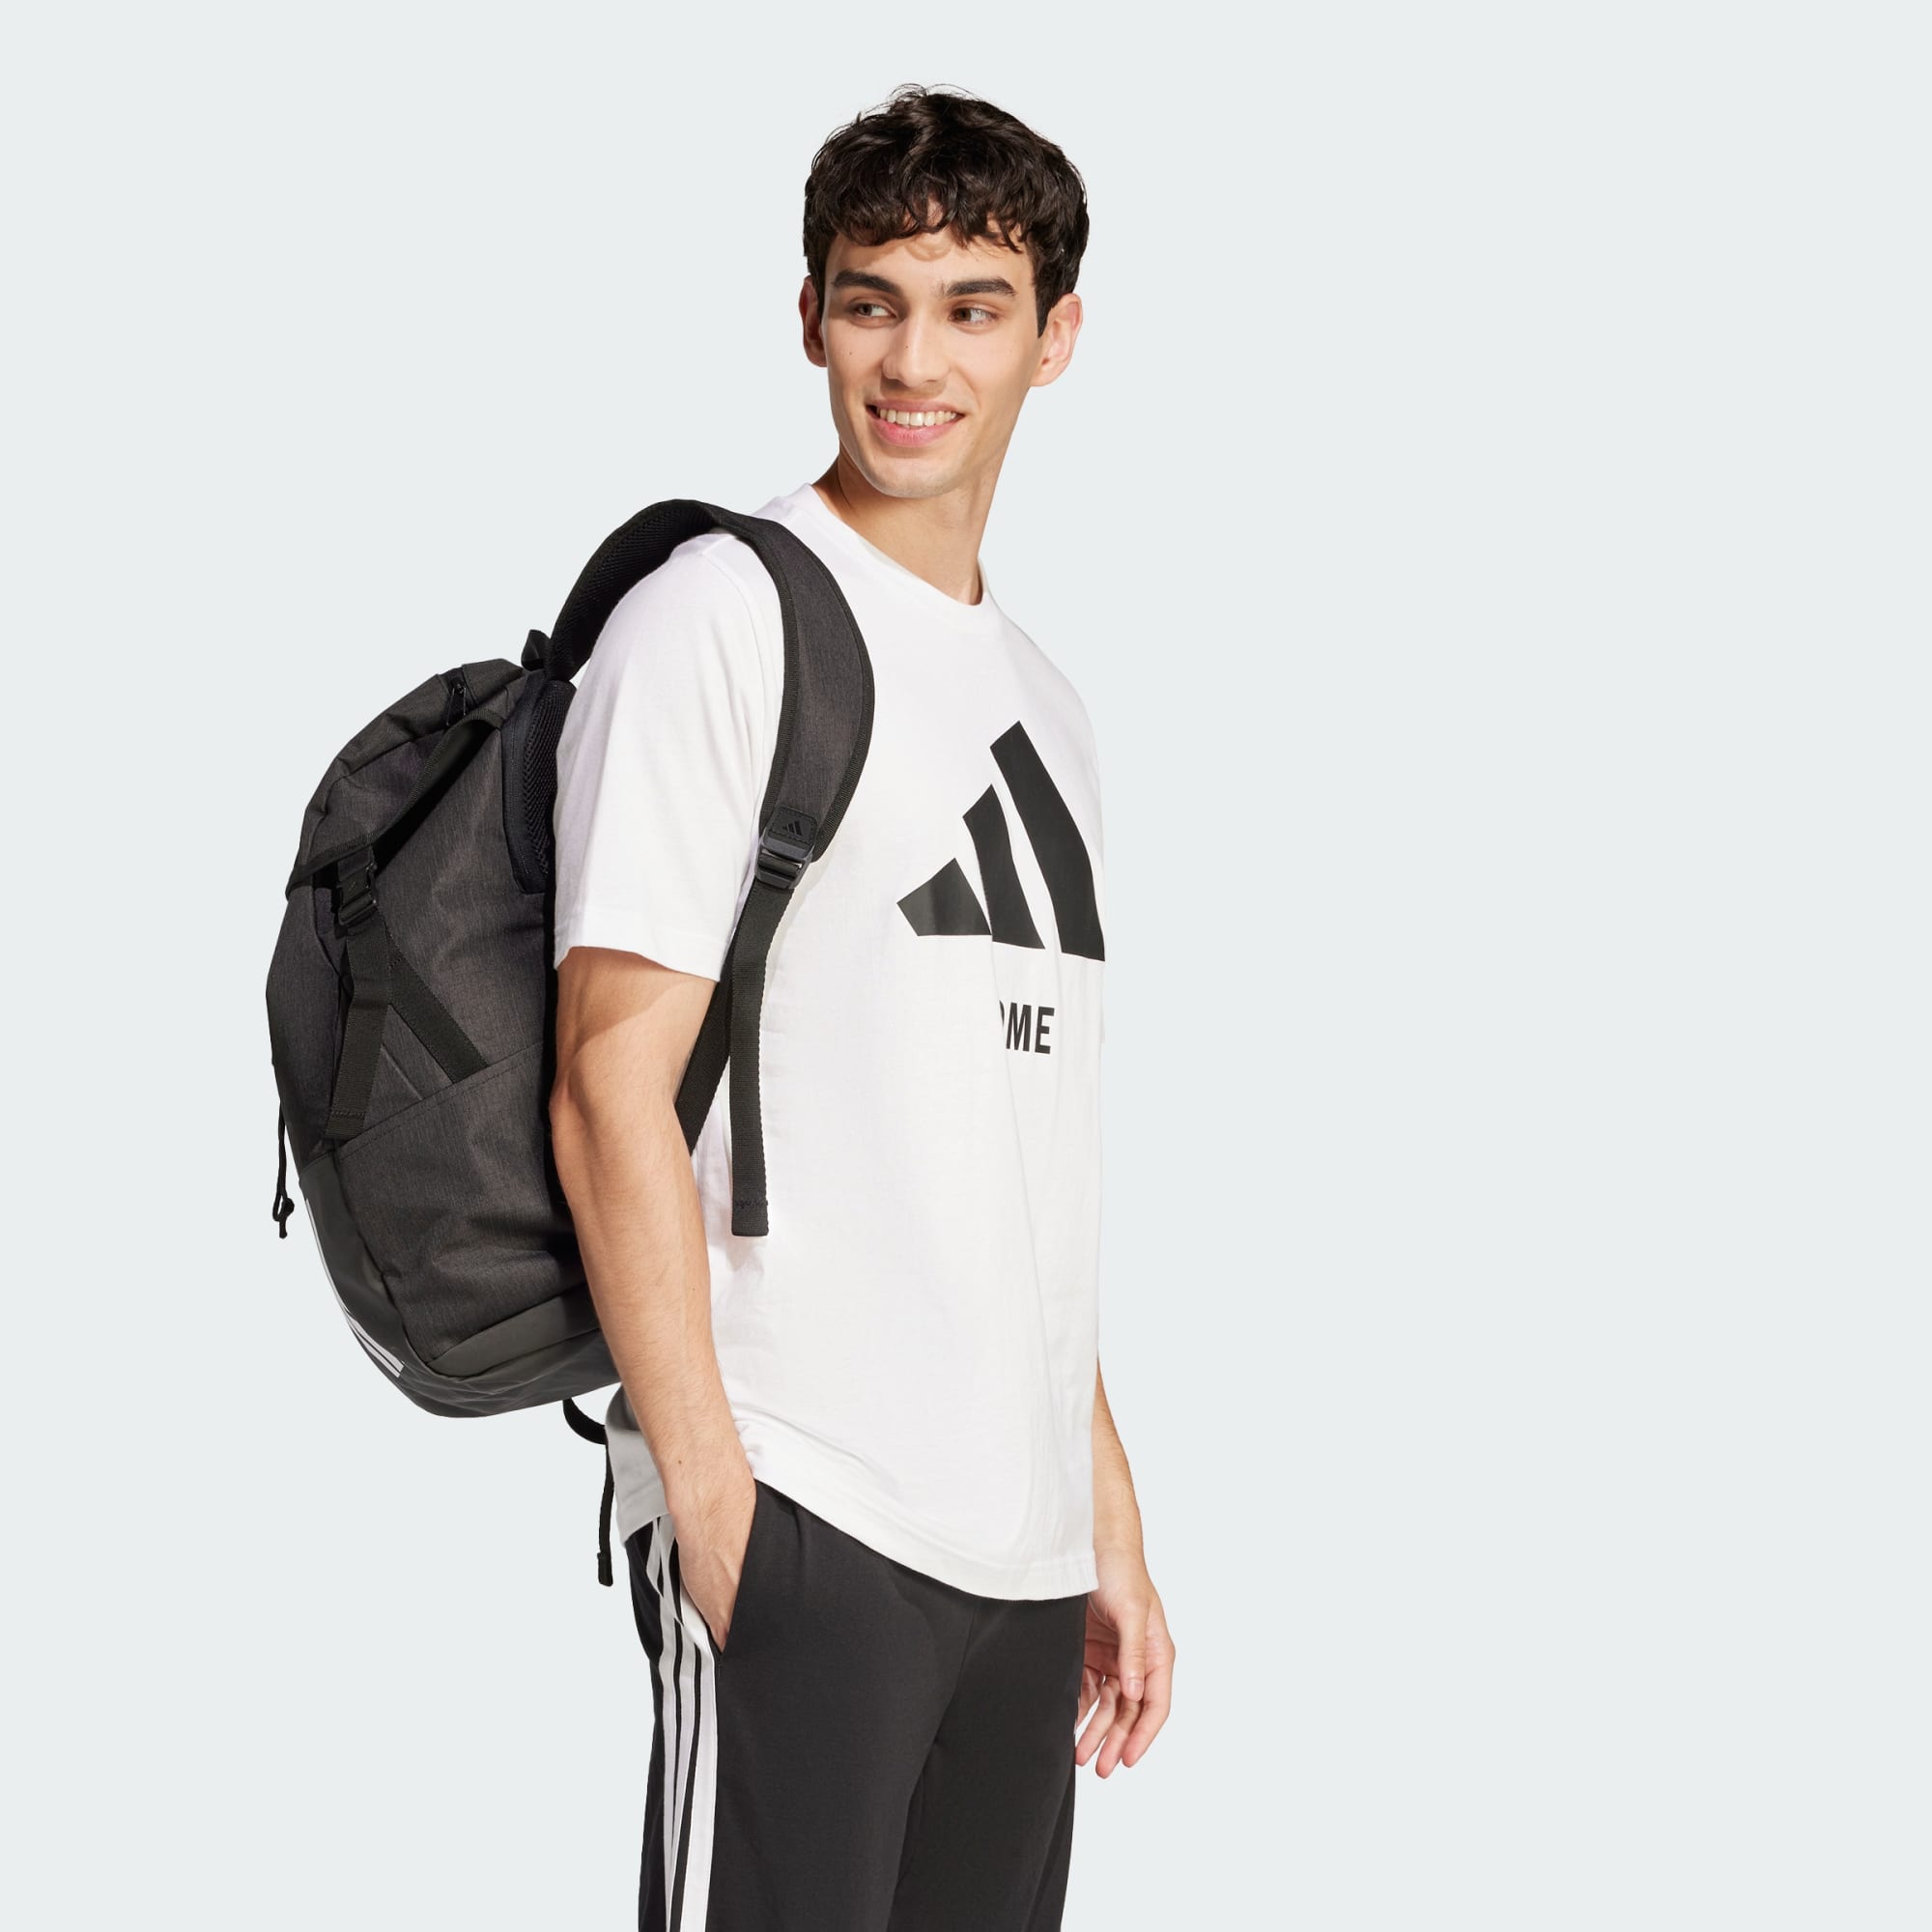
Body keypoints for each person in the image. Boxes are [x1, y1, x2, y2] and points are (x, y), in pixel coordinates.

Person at [548, 83, 1174, 1931]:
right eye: (870, 301)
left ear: (1056, 336)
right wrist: (719, 1514)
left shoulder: (1048, 700)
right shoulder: (722, 618)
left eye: (973, 307)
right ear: (810, 316)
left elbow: (1012, 1151)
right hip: (808, 1508)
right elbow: (607, 1087)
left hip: (1020, 1560)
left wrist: (1105, 1518)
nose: (913, 361)